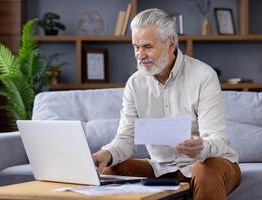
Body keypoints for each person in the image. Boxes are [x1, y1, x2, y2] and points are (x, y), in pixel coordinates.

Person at [92, 8, 240, 200]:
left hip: (211, 163)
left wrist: (201, 147)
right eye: (136, 47)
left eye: (147, 46)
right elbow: (126, 139)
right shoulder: (135, 84)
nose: (140, 55)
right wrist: (104, 154)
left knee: (205, 170)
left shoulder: (203, 76)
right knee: (111, 170)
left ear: (170, 43)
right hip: (160, 167)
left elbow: (218, 139)